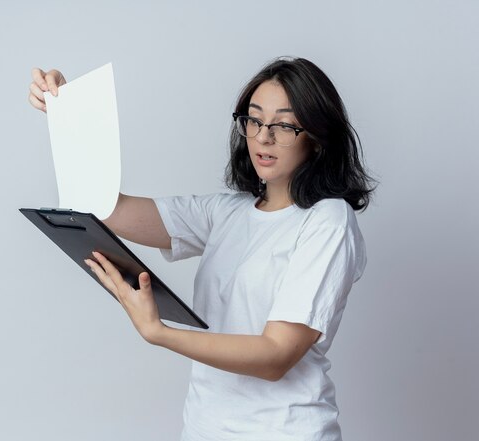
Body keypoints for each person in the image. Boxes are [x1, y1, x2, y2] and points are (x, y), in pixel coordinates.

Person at [28, 56, 376, 441]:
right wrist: (70, 112)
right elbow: (110, 209)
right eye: (255, 120)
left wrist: (158, 332)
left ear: (317, 136)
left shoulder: (328, 220)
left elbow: (277, 355)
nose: (263, 136)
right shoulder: (226, 212)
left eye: (284, 125)